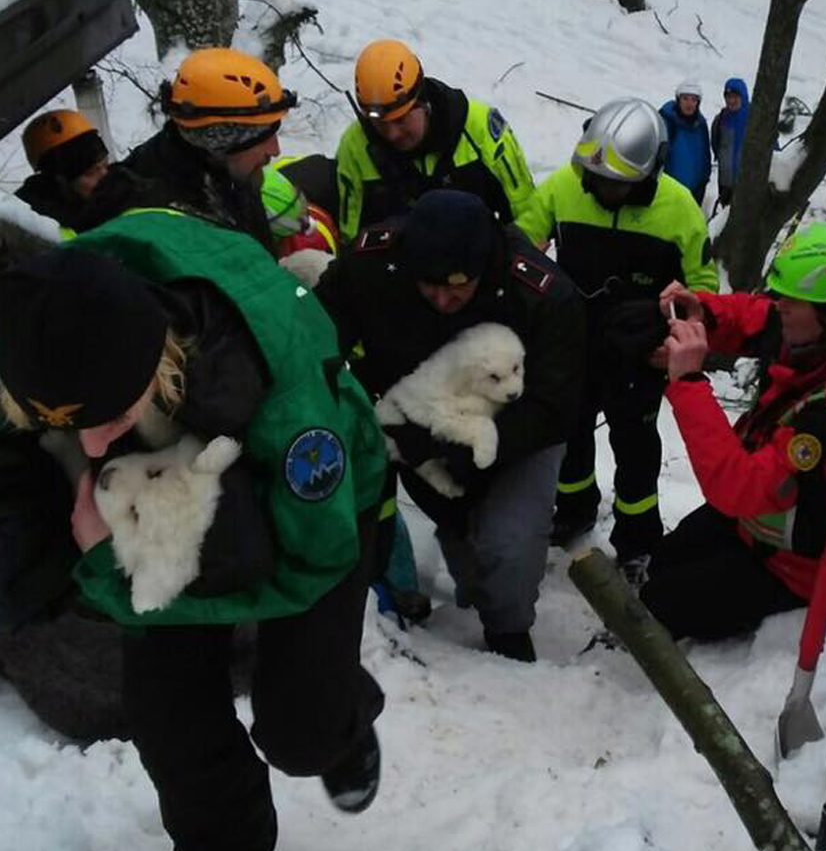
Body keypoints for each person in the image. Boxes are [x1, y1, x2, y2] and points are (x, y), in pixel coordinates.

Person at [0, 213, 387, 851]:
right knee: (164, 706)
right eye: (66, 423)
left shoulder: (286, 411)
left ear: (159, 361)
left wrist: (110, 575)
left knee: (298, 731)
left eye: (109, 416)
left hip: (304, 520)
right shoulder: (44, 321)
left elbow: (304, 564)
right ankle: (223, 844)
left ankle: (342, 716)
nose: (90, 444)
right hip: (156, 486)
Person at [314, 189, 585, 662]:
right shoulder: (372, 264)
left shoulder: (540, 295)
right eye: (429, 286)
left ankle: (507, 631)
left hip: (514, 430)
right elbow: (318, 333)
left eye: (458, 286)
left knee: (509, 546)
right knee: (458, 526)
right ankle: (432, 590)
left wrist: (466, 446)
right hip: (409, 417)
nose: (443, 299)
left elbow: (555, 404)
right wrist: (365, 400)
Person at [639, 223, 826, 642]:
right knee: (668, 558)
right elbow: (755, 315)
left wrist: (689, 382)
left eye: (790, 299)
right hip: (762, 527)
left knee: (663, 601)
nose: (777, 305)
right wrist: (703, 312)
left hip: (801, 570)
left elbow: (739, 488)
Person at [515, 97, 716, 586]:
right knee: (570, 433)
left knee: (636, 448)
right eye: (598, 178)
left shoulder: (678, 209)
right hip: (572, 343)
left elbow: (704, 288)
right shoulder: (565, 186)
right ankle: (575, 507)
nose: (604, 189)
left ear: (647, 174)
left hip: (639, 354)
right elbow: (520, 244)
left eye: (618, 183)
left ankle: (639, 538)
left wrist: (673, 333)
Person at [84, 47, 297, 252]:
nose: (275, 150)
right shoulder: (151, 215)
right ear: (219, 140)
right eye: (262, 138)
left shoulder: (228, 174)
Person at [335, 39, 535, 245]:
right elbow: (350, 238)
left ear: (423, 102)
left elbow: (527, 217)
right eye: (380, 123)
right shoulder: (355, 146)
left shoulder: (480, 129)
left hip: (474, 263)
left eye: (400, 120)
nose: (392, 134)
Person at [14, 108, 110, 237]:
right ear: (58, 181)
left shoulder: (121, 187)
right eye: (91, 173)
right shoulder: (34, 228)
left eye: (105, 165)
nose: (105, 175)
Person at [658, 82, 711, 205]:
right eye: (685, 98)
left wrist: (703, 181)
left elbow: (705, 155)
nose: (689, 103)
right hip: (670, 192)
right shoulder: (667, 121)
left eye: (694, 100)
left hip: (694, 192)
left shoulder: (701, 125)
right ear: (678, 100)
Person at [710, 77, 750, 207]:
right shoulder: (721, 119)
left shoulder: (755, 118)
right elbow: (716, 145)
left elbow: (773, 151)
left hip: (748, 184)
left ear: (743, 97)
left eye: (735, 97)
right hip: (725, 183)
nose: (731, 101)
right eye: (728, 97)